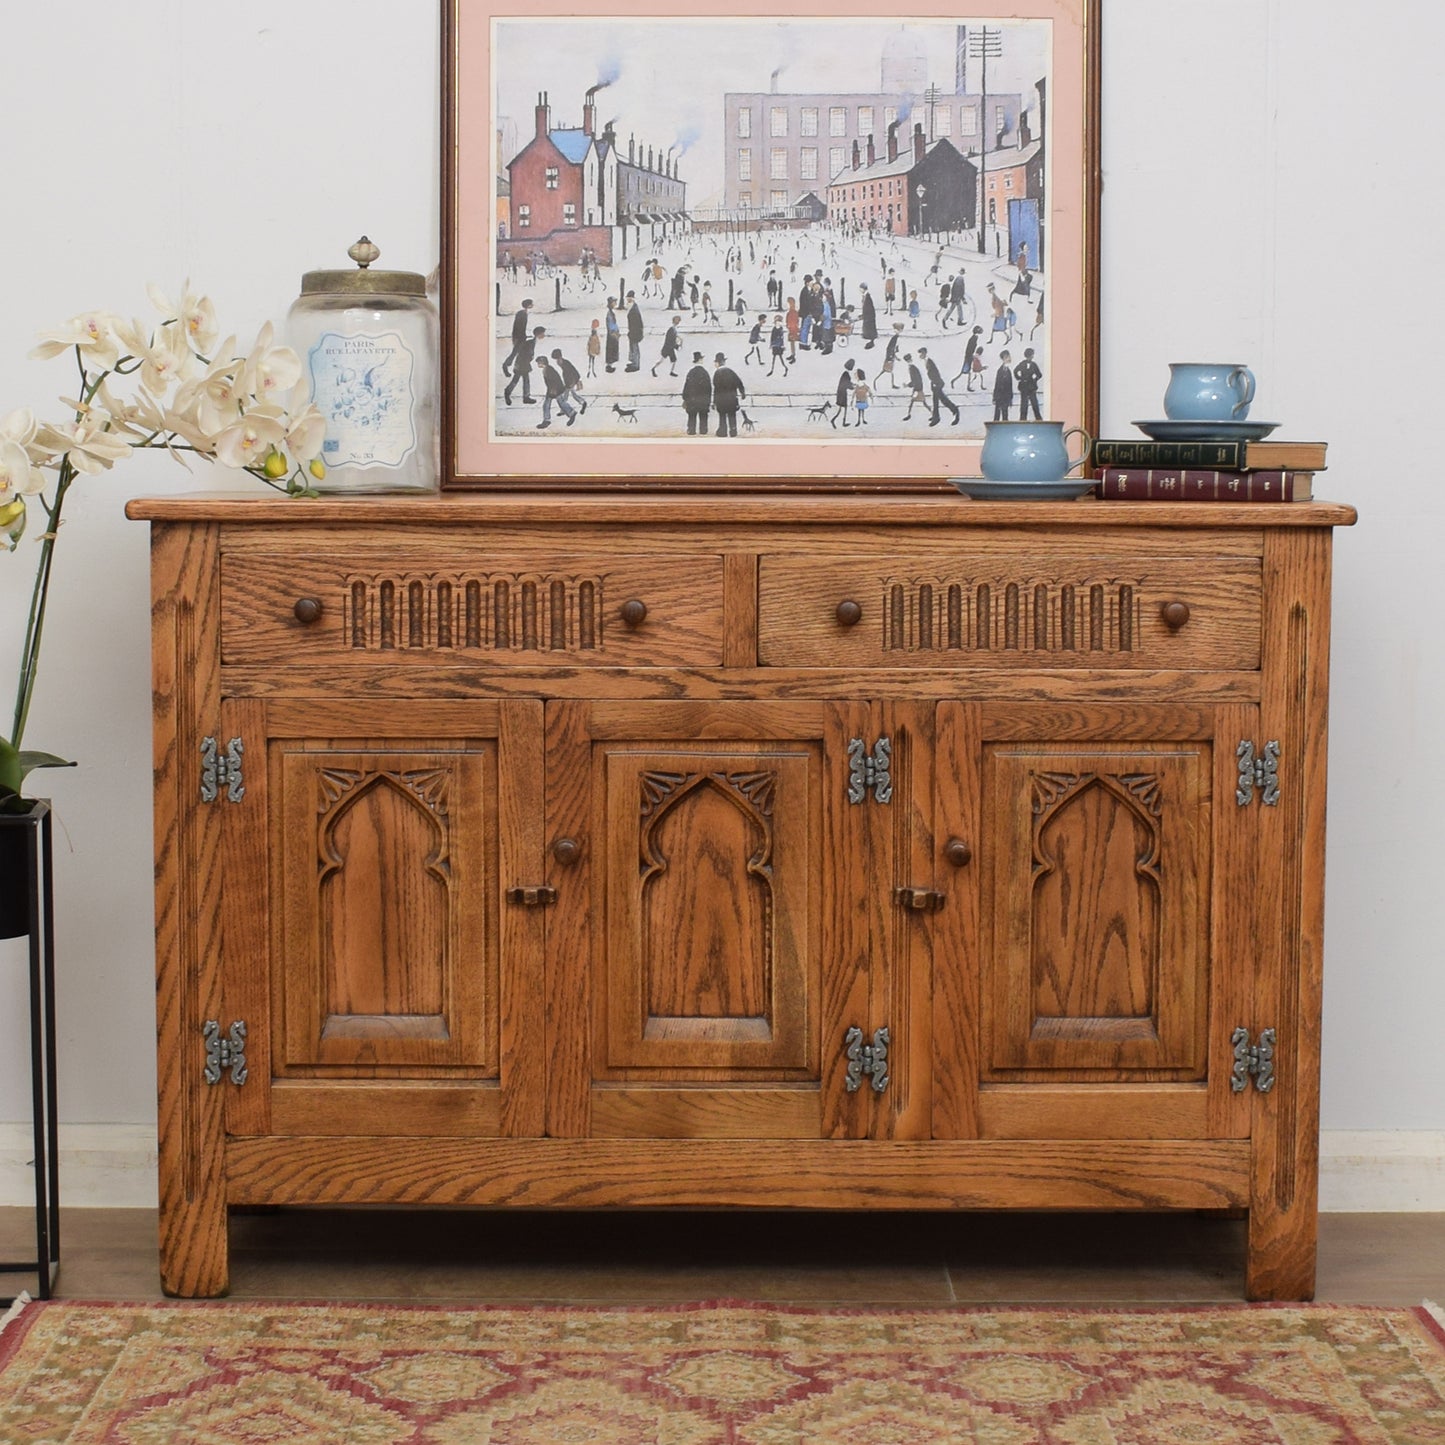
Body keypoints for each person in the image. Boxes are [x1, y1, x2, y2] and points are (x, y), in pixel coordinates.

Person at [503, 324, 544, 405]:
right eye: (542, 333)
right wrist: (530, 356)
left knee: (525, 380)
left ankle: (525, 397)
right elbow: (522, 351)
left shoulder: (533, 341)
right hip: (521, 363)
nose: (543, 335)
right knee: (517, 380)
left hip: (524, 363)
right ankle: (508, 392)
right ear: (538, 334)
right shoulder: (530, 341)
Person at [535, 354, 576, 429]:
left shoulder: (548, 370)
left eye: (538, 363)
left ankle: (571, 413)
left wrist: (553, 390)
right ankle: (547, 420)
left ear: (542, 363)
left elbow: (554, 381)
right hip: (553, 389)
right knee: (553, 403)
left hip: (555, 389)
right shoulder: (547, 369)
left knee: (558, 403)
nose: (538, 364)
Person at [921, 346, 959, 427]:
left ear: (924, 353)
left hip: (937, 383)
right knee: (937, 400)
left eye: (921, 353)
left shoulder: (929, 361)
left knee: (942, 400)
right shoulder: (926, 361)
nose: (920, 355)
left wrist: (935, 382)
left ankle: (954, 411)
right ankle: (936, 416)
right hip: (935, 383)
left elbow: (935, 373)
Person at [712, 352, 745, 437]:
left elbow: (716, 389)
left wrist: (714, 402)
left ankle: (723, 432)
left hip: (721, 400)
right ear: (724, 362)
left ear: (717, 363)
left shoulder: (717, 374)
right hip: (732, 399)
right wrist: (742, 393)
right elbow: (739, 383)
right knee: (732, 416)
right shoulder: (731, 372)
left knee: (722, 417)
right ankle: (733, 432)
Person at [501, 297, 533, 377]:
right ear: (528, 305)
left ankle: (514, 368)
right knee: (515, 353)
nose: (532, 305)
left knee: (518, 353)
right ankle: (506, 365)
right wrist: (519, 337)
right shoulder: (522, 314)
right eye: (531, 303)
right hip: (519, 337)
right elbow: (518, 326)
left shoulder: (523, 313)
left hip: (520, 337)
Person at [553, 348, 586, 415]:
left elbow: (573, 372)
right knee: (569, 395)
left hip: (570, 382)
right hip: (568, 381)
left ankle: (582, 403)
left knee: (567, 396)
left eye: (557, 359)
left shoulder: (566, 363)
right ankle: (582, 402)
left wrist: (575, 382)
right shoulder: (563, 362)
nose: (557, 362)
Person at [1014, 347, 1043, 420]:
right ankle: (1022, 420)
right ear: (1028, 355)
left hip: (1031, 387)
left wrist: (1035, 380)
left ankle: (1038, 420)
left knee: (1035, 404)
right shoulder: (1022, 363)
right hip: (1023, 387)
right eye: (1031, 355)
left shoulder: (1034, 364)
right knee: (1024, 405)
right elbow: (1015, 371)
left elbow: (1039, 374)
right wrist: (1019, 378)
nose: (1032, 356)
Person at [902, 353, 927, 420]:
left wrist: (907, 385)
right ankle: (908, 414)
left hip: (917, 388)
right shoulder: (912, 368)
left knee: (919, 402)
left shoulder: (912, 368)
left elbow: (914, 380)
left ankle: (908, 414)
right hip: (918, 387)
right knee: (916, 401)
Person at [992, 349, 1014, 420]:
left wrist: (1010, 398)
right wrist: (995, 397)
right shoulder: (1000, 371)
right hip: (1000, 397)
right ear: (1004, 358)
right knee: (997, 416)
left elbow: (1010, 386)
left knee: (1005, 416)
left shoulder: (1008, 371)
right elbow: (997, 384)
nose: (1009, 358)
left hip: (1006, 397)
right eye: (1008, 357)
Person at [880, 321, 904, 387]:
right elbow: (890, 348)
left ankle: (893, 384)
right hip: (891, 356)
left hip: (892, 356)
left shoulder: (896, 338)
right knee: (891, 371)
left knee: (891, 371)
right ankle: (892, 384)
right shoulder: (895, 338)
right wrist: (891, 357)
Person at [834, 359, 857, 427]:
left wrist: (852, 384)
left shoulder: (845, 373)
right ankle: (842, 422)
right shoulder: (846, 374)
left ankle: (836, 420)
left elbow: (847, 383)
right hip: (842, 393)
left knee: (841, 408)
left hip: (841, 392)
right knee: (844, 407)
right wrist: (853, 387)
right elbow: (846, 384)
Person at [625, 291, 644, 372]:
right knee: (632, 347)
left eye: (629, 298)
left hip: (635, 331)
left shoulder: (634, 308)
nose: (628, 300)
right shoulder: (632, 307)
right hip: (632, 331)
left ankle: (635, 365)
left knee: (634, 347)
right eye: (627, 298)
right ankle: (633, 362)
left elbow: (638, 322)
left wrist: (638, 332)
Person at [604, 299, 620, 373]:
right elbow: (611, 325)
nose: (615, 303)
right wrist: (615, 332)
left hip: (612, 334)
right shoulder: (610, 314)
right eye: (614, 302)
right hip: (612, 334)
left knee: (612, 350)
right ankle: (609, 365)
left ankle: (610, 365)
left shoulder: (611, 313)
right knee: (611, 350)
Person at [859, 283, 877, 348]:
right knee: (868, 326)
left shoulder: (867, 296)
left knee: (869, 326)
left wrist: (864, 314)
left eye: (860, 288)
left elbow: (868, 307)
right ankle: (868, 336)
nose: (860, 290)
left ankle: (869, 337)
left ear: (863, 289)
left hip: (869, 315)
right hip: (867, 314)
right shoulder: (865, 296)